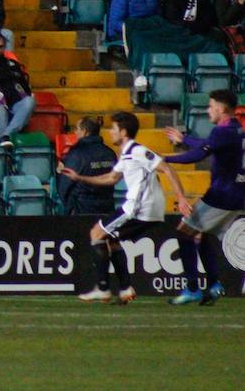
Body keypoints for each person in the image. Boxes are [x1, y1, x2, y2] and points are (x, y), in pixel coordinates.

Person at [62, 112, 184, 304]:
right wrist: (80, 178)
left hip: (139, 207)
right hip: (141, 207)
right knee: (111, 241)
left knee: (96, 233)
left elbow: (166, 168)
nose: (110, 132)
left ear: (124, 132)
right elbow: (111, 178)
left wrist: (181, 198)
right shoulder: (126, 154)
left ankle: (102, 288)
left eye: (114, 129)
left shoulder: (137, 150)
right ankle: (126, 288)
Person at [163, 89, 245, 305]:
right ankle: (213, 285)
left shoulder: (221, 131)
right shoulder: (236, 129)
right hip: (236, 194)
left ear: (221, 108)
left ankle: (192, 288)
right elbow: (208, 146)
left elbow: (201, 154)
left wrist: (166, 159)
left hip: (221, 195)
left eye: (210, 106)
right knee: (201, 235)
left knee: (184, 232)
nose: (208, 110)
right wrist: (184, 139)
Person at [56, 117, 117, 215]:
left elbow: (64, 184)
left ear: (84, 132)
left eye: (77, 129)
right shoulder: (110, 153)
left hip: (81, 210)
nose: (75, 132)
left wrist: (69, 207)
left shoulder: (77, 154)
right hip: (107, 209)